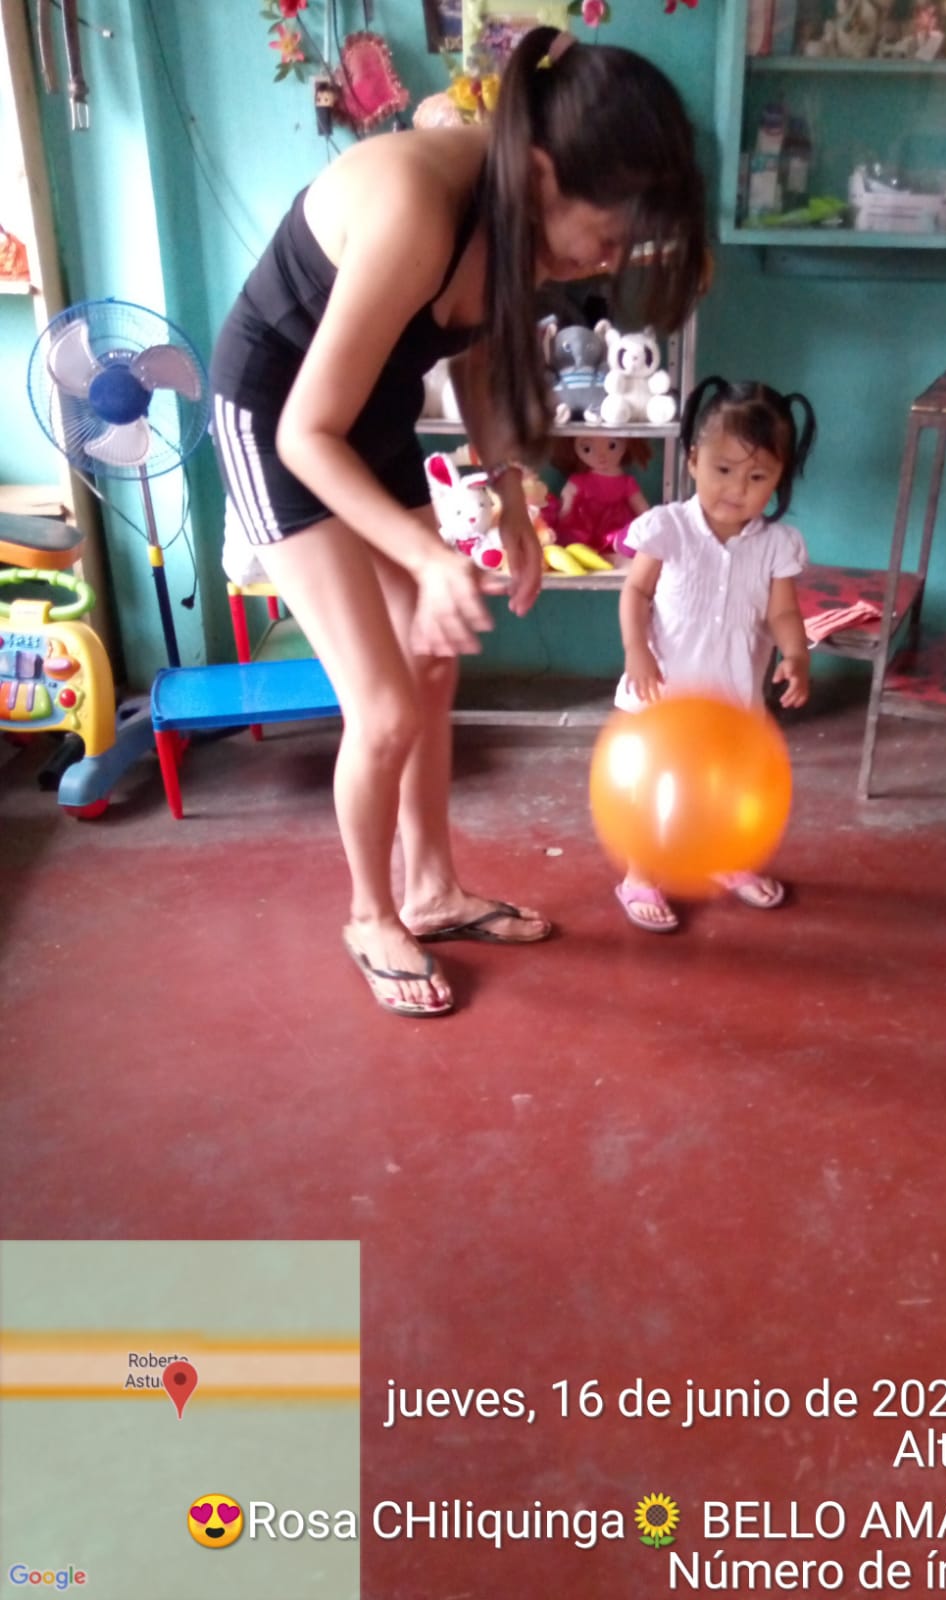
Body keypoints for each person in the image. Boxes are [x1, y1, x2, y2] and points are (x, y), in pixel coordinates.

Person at [209, 26, 707, 1015]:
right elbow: (307, 433)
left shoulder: (515, 212)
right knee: (385, 704)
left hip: (370, 414)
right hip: (281, 424)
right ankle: (371, 914)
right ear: (543, 173)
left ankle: (432, 893)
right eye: (608, 235)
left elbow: (477, 349)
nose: (606, 260)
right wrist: (425, 556)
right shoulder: (414, 205)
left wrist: (511, 490)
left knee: (432, 665)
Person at [613, 376, 817, 933]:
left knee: (725, 788)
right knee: (650, 789)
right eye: (723, 469)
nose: (737, 489)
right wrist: (636, 650)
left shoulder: (777, 545)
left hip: (731, 698)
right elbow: (636, 592)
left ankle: (724, 858)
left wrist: (796, 656)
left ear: (779, 478)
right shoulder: (669, 528)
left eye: (757, 477)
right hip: (662, 692)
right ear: (693, 460)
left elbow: (783, 613)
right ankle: (639, 875)